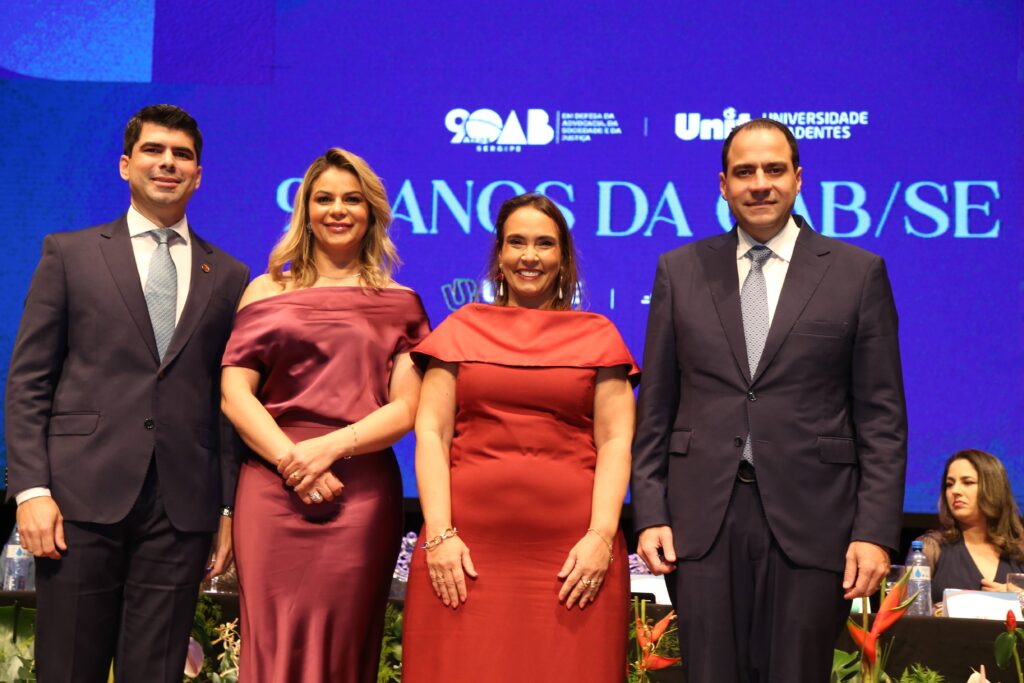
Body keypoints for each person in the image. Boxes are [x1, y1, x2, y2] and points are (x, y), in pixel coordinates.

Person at [631, 118, 908, 681]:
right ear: (723, 185)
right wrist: (651, 511)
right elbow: (656, 406)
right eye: (744, 172)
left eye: (774, 170)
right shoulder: (679, 271)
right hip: (702, 521)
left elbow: (882, 418)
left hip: (817, 519)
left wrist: (875, 531)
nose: (760, 184)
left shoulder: (858, 274)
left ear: (799, 178)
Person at [4, 104, 249, 682]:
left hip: (181, 509)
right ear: (125, 165)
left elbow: (226, 402)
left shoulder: (229, 275)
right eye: (153, 150)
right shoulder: (70, 254)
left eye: (182, 155)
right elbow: (29, 381)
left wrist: (225, 509)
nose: (168, 163)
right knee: (68, 669)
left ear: (198, 175)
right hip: (76, 502)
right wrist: (31, 491)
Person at [401, 193, 639, 682]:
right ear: (500, 254)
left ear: (563, 257)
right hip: (463, 553)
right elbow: (431, 433)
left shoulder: (599, 337)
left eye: (545, 244)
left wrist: (601, 537)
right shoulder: (460, 330)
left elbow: (616, 441)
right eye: (517, 242)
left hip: (574, 558)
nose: (530, 256)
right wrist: (440, 535)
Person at [220, 147, 429, 683]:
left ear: (372, 212)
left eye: (352, 199)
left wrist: (330, 448)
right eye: (324, 198)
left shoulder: (401, 302)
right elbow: (234, 394)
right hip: (271, 489)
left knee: (344, 647)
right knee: (271, 645)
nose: (338, 210)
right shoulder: (264, 291)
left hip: (359, 496)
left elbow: (408, 407)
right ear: (305, 210)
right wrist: (294, 461)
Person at [918, 449, 1024, 610]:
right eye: (949, 484)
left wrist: (1019, 598)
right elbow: (907, 611)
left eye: (967, 482)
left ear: (993, 488)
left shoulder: (1020, 548)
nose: (955, 491)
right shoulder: (930, 548)